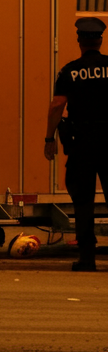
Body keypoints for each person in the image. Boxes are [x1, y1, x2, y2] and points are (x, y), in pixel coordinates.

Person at [45, 16, 108, 271]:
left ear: (79, 40)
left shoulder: (70, 71)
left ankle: (87, 258)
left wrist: (49, 138)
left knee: (83, 202)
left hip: (83, 144)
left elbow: (57, 105)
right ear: (100, 40)